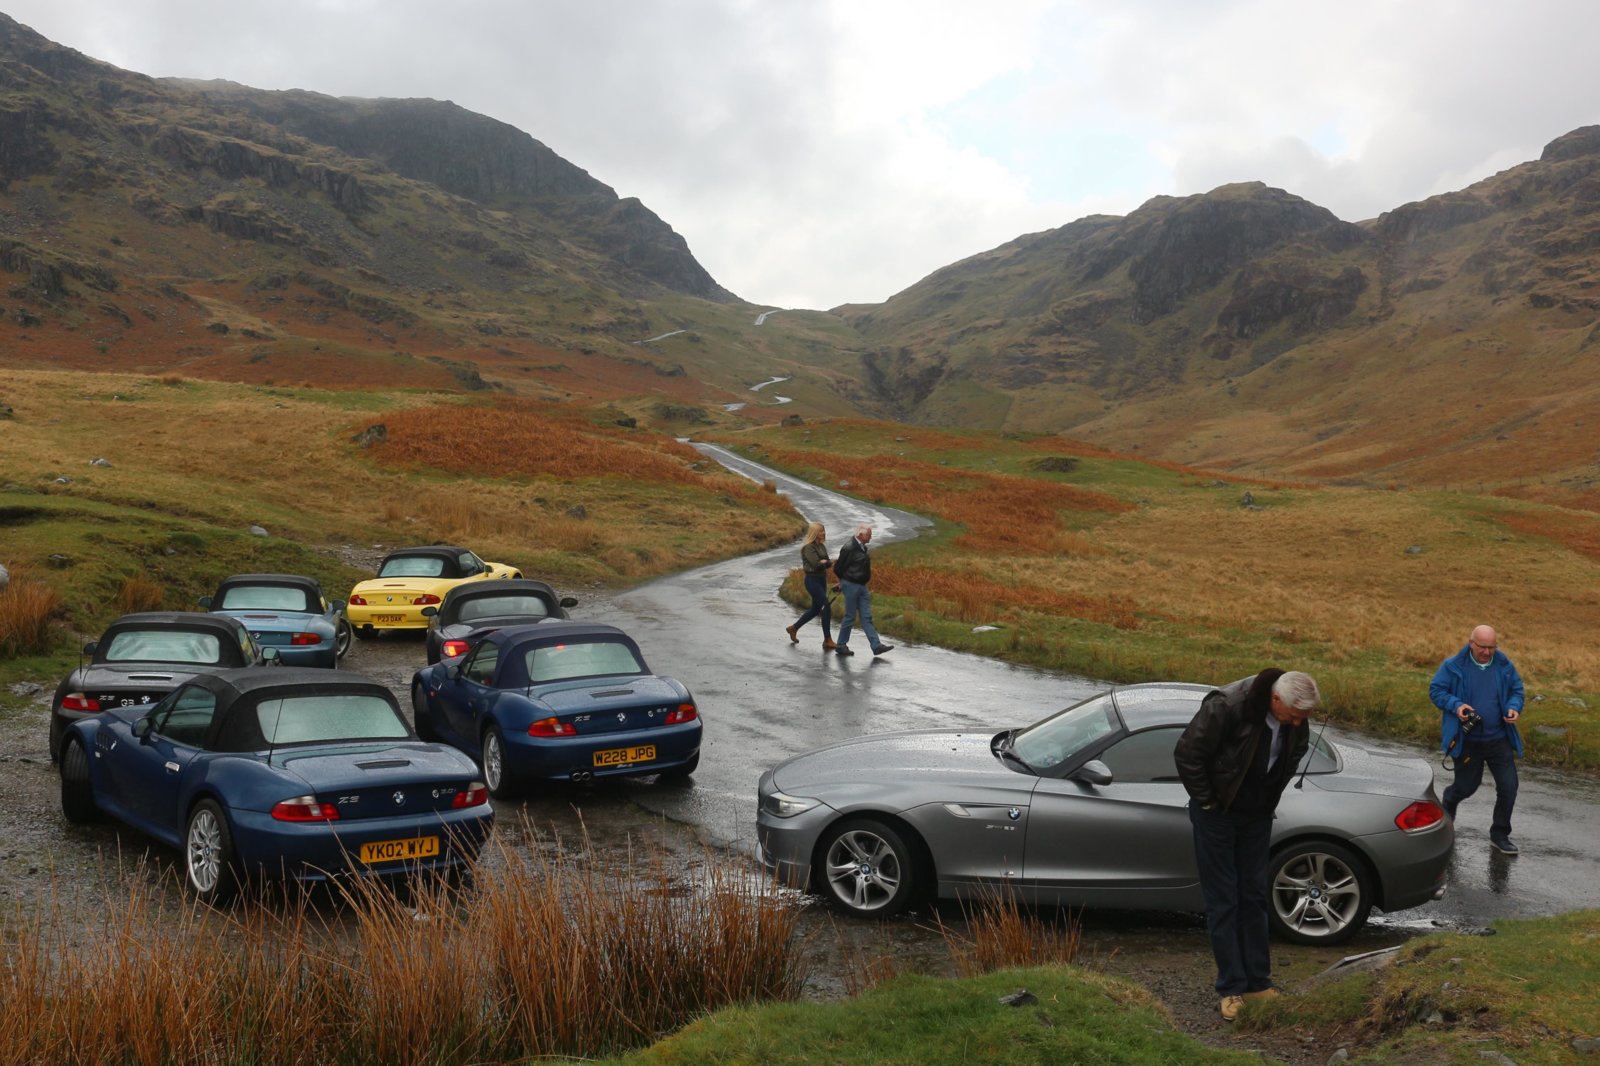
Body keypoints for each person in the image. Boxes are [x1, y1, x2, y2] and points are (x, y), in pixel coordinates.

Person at [1174, 669, 1320, 1023]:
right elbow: (1187, 754)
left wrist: (1266, 802)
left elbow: (1291, 757)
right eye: (1295, 716)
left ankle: (1258, 982)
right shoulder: (1228, 707)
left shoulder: (1295, 720)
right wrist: (1208, 803)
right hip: (1217, 816)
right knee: (1224, 900)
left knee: (1254, 896)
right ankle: (1231, 988)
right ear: (1275, 699)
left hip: (1256, 816)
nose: (1300, 724)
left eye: (1305, 718)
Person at [1430, 624, 1525, 855]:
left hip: (1498, 739)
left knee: (1509, 787)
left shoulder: (1504, 665)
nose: (1487, 652)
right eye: (1482, 647)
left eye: (1491, 647)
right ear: (1471, 643)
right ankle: (1449, 801)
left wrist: (1513, 707)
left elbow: (1517, 690)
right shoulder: (1452, 666)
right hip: (1468, 740)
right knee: (1466, 787)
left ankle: (1499, 834)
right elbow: (1436, 691)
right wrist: (1457, 705)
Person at [830, 524, 892, 657]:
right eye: (869, 534)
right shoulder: (849, 548)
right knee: (850, 616)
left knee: (866, 616)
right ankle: (841, 645)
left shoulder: (861, 547)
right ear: (861, 535)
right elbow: (838, 568)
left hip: (862, 586)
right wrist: (844, 582)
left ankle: (876, 646)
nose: (871, 537)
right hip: (851, 585)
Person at [785, 522, 836, 650]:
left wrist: (825, 562)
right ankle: (827, 640)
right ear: (814, 533)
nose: (823, 533)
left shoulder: (822, 547)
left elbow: (827, 564)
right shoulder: (808, 548)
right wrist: (824, 562)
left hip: (821, 579)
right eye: (820, 531)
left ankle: (794, 628)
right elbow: (816, 564)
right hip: (812, 580)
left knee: (815, 609)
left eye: (823, 530)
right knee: (826, 605)